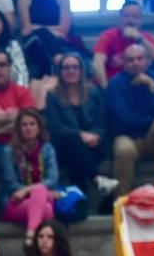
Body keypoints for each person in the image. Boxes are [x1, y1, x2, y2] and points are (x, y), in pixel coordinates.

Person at [107, 43, 154, 194]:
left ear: (148, 60)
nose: (135, 63)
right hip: (128, 138)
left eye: (140, 59)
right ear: (124, 63)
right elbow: (124, 119)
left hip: (153, 138)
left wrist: (152, 88)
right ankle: (120, 197)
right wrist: (152, 119)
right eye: (130, 60)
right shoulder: (115, 84)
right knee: (123, 149)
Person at [45, 53, 115, 197]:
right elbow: (55, 127)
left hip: (94, 144)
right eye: (66, 68)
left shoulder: (94, 92)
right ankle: (97, 179)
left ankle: (80, 192)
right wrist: (80, 135)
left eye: (75, 67)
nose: (71, 71)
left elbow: (102, 123)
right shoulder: (53, 95)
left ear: (82, 71)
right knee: (74, 142)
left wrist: (94, 136)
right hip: (65, 145)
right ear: (60, 72)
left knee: (85, 151)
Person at [1, 109, 60, 244]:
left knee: (42, 197)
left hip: (36, 197)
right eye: (24, 124)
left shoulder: (47, 149)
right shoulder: (8, 151)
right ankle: (40, 243)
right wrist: (39, 192)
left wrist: (28, 190)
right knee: (46, 208)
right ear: (19, 128)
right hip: (15, 202)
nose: (28, 128)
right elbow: (10, 184)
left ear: (39, 128)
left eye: (32, 124)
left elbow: (53, 179)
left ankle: (31, 236)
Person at [18, 0, 78, 81]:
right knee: (38, 37)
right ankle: (57, 59)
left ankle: (46, 76)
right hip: (32, 42)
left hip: (58, 40)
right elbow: (26, 29)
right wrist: (47, 30)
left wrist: (38, 28)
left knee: (42, 36)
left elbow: (64, 29)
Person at [92, 2, 154, 87]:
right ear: (120, 19)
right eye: (126, 16)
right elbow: (97, 62)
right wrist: (106, 88)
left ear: (140, 20)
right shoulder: (108, 36)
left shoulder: (147, 38)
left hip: (140, 83)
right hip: (113, 85)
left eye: (135, 17)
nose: (130, 20)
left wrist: (139, 38)